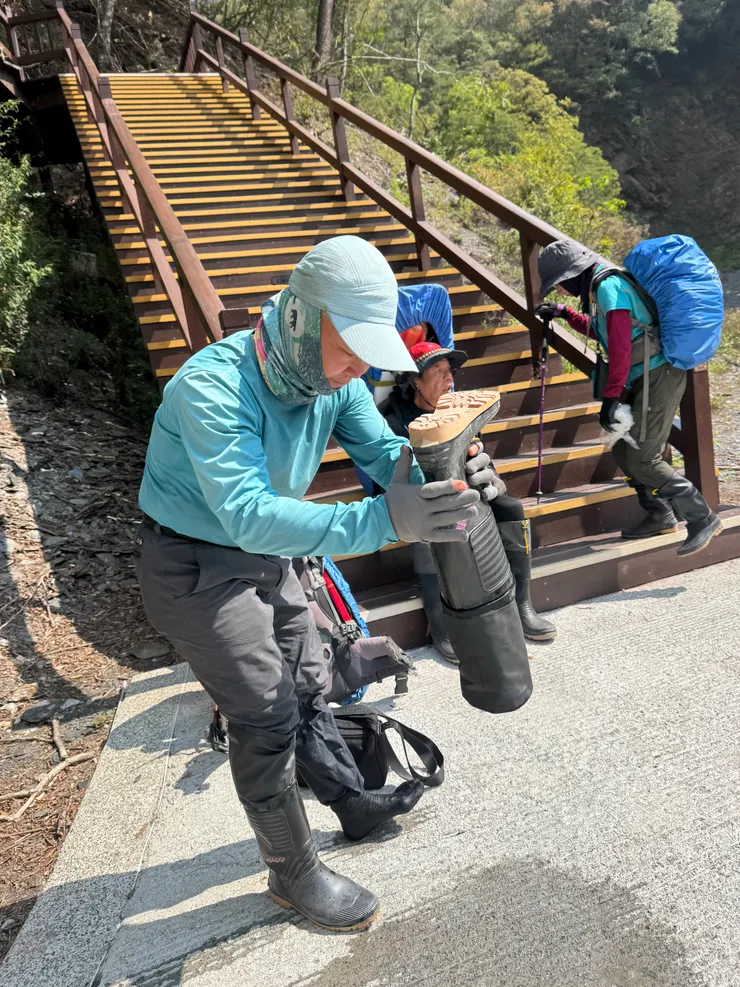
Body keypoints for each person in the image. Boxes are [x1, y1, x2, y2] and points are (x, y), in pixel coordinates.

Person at [134, 235, 498, 933]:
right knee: (265, 708)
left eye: (369, 353)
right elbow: (246, 513)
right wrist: (387, 517)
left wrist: (449, 468)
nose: (359, 367)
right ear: (301, 317)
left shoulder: (333, 383)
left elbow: (389, 452)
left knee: (311, 679)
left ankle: (347, 798)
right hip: (193, 564)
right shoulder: (212, 386)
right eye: (349, 347)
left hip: (273, 556)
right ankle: (291, 869)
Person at [535, 240, 722, 557]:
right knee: (624, 448)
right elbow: (606, 332)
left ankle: (702, 518)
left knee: (641, 457)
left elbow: (620, 349)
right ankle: (659, 513)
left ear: (572, 274)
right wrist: (564, 313)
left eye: (560, 285)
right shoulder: (600, 289)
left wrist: (611, 397)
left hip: (657, 376)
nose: (562, 291)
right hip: (643, 376)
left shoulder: (608, 286)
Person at [376, 340, 557, 661]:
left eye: (451, 372)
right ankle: (442, 624)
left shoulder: (457, 410)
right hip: (420, 502)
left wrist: (490, 479)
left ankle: (521, 604)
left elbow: (480, 459)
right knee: (433, 528)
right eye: (439, 371)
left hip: (465, 491)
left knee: (510, 507)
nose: (449, 379)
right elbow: (393, 477)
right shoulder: (393, 421)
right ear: (415, 380)